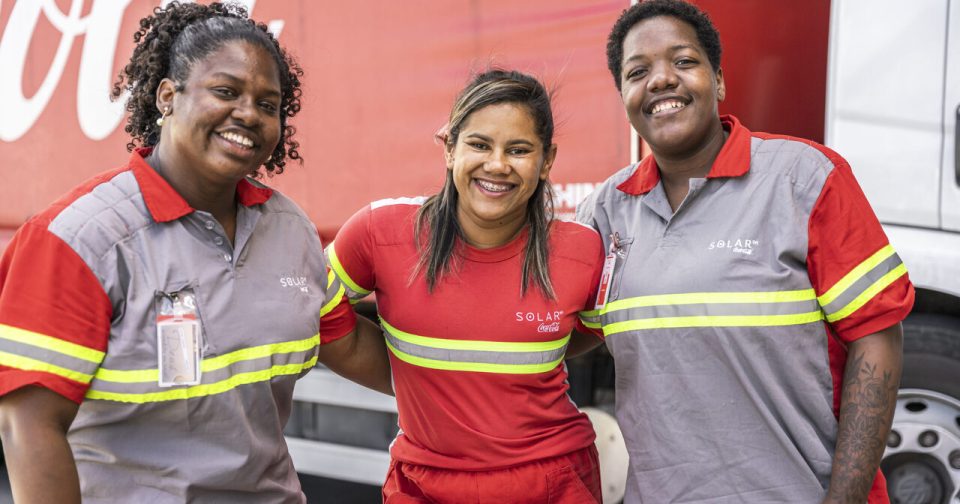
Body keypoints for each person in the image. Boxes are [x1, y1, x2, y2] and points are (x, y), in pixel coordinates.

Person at [0, 2, 374, 502]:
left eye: (268, 104)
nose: (248, 113)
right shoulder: (80, 239)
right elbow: (29, 425)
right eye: (226, 91)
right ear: (168, 95)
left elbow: (347, 345)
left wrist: (479, 371)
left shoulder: (289, 230)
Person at [576, 1, 915, 502]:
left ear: (719, 81)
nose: (662, 80)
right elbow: (554, 337)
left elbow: (878, 339)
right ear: (623, 96)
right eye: (638, 71)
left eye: (684, 61)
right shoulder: (606, 210)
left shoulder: (804, 178)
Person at [318, 69, 606, 503]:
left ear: (547, 160)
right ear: (449, 148)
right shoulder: (380, 232)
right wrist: (414, 377)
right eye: (479, 144)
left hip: (554, 483)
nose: (496, 164)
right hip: (423, 485)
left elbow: (585, 334)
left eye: (519, 149)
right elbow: (315, 305)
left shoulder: (582, 252)